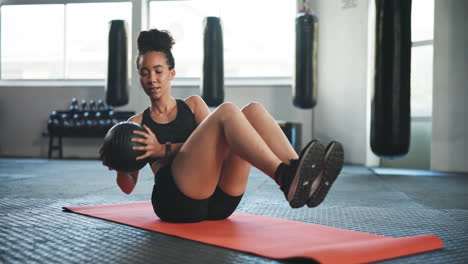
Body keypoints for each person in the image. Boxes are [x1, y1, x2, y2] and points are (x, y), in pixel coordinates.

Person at [100, 28, 344, 223]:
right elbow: (127, 187)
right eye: (144, 72)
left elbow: (218, 146)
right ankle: (284, 177)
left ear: (171, 73)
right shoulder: (137, 124)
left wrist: (162, 149)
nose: (151, 79)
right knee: (227, 111)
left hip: (219, 201)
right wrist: (118, 160)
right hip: (177, 202)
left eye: (158, 71)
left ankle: (301, 175)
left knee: (253, 111)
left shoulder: (193, 105)